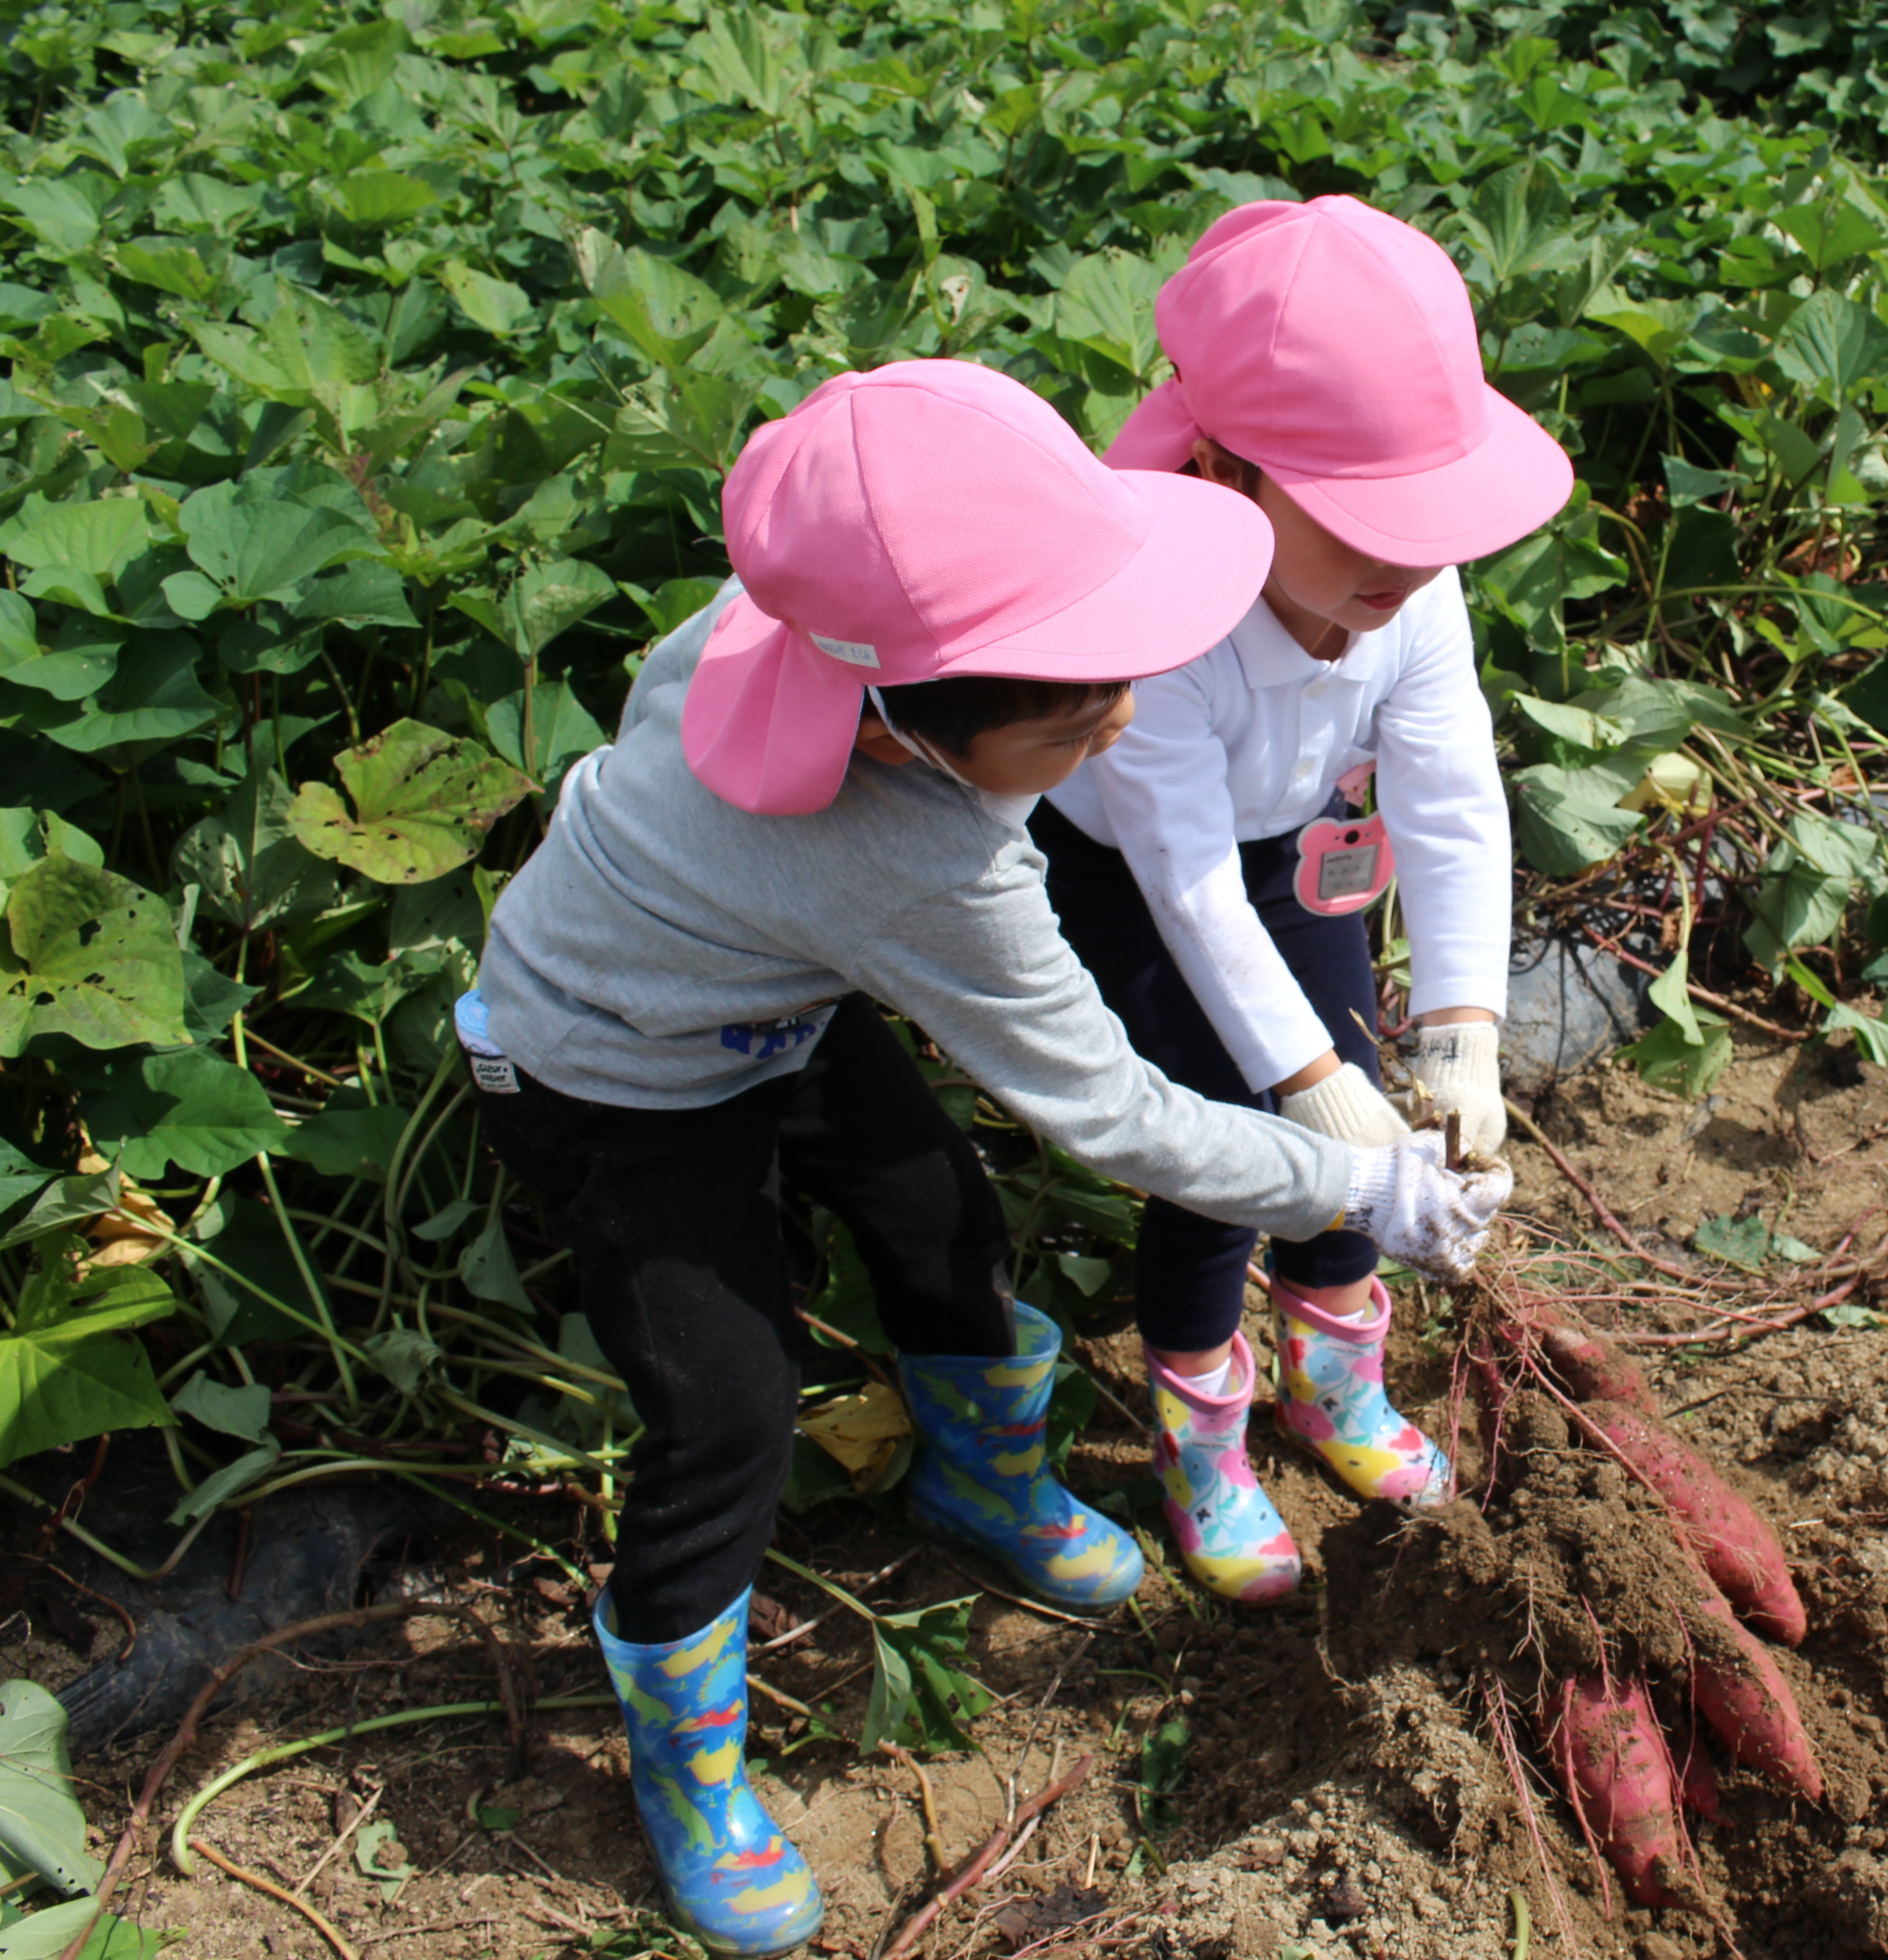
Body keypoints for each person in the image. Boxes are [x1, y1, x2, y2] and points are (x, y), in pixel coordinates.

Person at [461, 361, 1511, 1959]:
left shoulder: (798, 624)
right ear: (907, 739)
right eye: (1078, 713)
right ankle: (688, 1760)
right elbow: (1113, 1115)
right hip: (602, 1073)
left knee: (944, 1228)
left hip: (772, 1003)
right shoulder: (918, 863)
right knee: (724, 1411)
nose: (1126, 722)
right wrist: (1364, 1191)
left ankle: (977, 1481)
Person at [1032, 196, 1572, 1604]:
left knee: (1374, 1127)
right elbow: (1189, 883)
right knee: (1227, 1145)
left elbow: (1450, 797)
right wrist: (1305, 1084)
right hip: (1133, 873)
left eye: (1422, 527)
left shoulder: (1416, 590)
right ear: (1224, 472)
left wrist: (1458, 1029)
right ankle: (1201, 1435)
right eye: (1359, 530)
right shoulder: (1152, 631)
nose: (1399, 567)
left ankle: (1332, 1379)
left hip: (1292, 846)